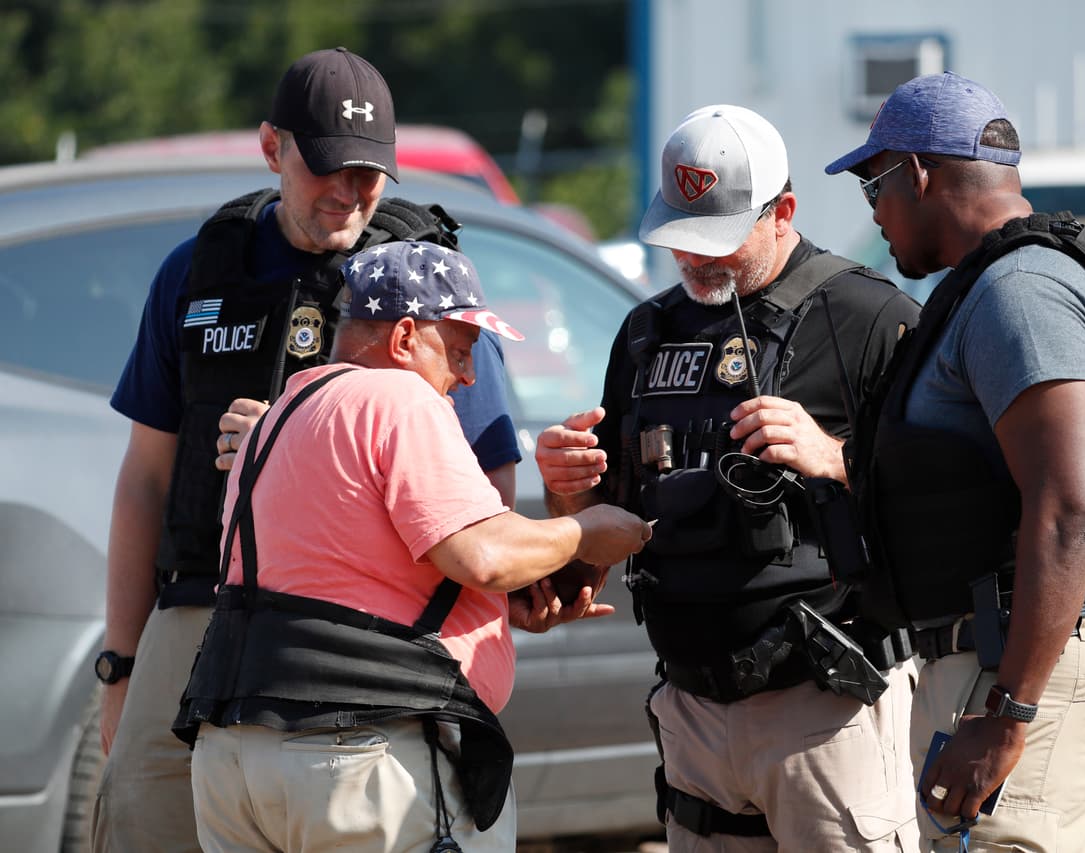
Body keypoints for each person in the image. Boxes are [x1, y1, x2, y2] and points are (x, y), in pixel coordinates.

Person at [93, 47, 526, 853]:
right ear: (272, 148)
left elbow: (489, 484)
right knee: (138, 820)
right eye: (328, 166)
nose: (350, 192)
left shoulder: (422, 281)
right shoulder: (197, 272)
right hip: (200, 611)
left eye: (369, 173)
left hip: (360, 632)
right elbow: (145, 482)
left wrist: (297, 449)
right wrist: (120, 664)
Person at [170, 239, 651, 852]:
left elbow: (350, 577)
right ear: (403, 340)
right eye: (458, 349)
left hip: (233, 759)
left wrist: (495, 604)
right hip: (355, 755)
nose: (469, 375)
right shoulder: (397, 396)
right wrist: (589, 529)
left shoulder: (278, 416)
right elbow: (485, 555)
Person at [535, 104, 921, 851]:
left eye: (717, 239)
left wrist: (833, 456)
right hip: (692, 707)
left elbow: (944, 501)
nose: (696, 260)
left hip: (827, 703)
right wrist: (567, 487)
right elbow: (612, 525)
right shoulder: (648, 332)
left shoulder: (870, 318)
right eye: (682, 237)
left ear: (784, 212)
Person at [824, 72, 1085, 852]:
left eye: (872, 183)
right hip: (1011, 658)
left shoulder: (1019, 291)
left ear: (917, 172)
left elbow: (1071, 507)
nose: (874, 210)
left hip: (1026, 666)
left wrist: (1011, 711)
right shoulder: (1000, 285)